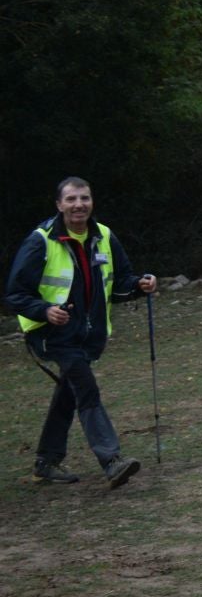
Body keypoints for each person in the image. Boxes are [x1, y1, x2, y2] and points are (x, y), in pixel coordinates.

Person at [7, 177, 156, 487]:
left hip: (88, 335)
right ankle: (112, 460)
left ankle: (46, 462)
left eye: (84, 198)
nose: (79, 205)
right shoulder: (41, 240)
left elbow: (122, 282)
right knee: (85, 387)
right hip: (50, 334)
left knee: (70, 391)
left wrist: (141, 286)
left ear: (92, 202)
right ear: (59, 205)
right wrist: (45, 310)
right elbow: (15, 294)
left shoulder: (104, 236)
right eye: (72, 199)